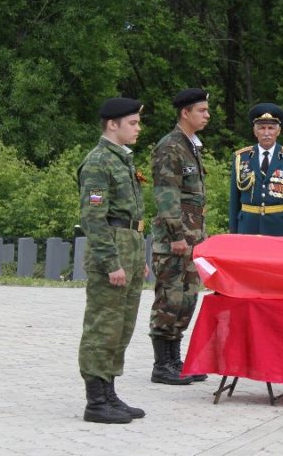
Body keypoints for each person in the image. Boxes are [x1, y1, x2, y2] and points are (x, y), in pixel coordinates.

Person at [78, 97, 148, 424]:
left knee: (122, 326)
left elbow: (132, 216)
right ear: (112, 124)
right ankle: (95, 401)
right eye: (132, 123)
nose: (138, 128)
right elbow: (94, 219)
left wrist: (140, 257)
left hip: (130, 245)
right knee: (103, 325)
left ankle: (109, 392)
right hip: (112, 249)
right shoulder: (97, 162)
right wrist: (111, 262)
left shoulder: (121, 160)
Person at [149, 88, 210, 385]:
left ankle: (175, 358)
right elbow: (166, 193)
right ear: (185, 113)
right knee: (169, 298)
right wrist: (175, 234)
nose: (207, 115)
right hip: (175, 238)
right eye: (202, 110)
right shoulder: (170, 146)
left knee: (187, 298)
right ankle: (162, 364)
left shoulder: (191, 146)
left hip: (191, 237)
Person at [230, 103, 283, 238]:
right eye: (261, 128)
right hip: (248, 228)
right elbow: (234, 200)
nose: (266, 133)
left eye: (271, 128)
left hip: (281, 229)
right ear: (254, 131)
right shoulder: (241, 157)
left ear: (278, 131)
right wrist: (233, 233)